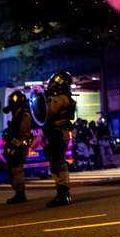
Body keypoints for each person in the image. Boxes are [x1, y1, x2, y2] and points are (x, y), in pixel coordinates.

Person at [43, 71, 77, 207]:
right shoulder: (61, 97)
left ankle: (63, 194)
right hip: (56, 133)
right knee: (56, 161)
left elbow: (48, 112)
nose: (52, 84)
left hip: (59, 133)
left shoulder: (62, 98)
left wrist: (46, 99)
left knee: (58, 162)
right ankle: (61, 193)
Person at [2, 91, 33, 204]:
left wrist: (14, 145)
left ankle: (20, 194)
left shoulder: (24, 115)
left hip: (19, 146)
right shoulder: (17, 114)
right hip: (15, 145)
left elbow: (23, 133)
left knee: (17, 169)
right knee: (13, 169)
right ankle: (18, 193)